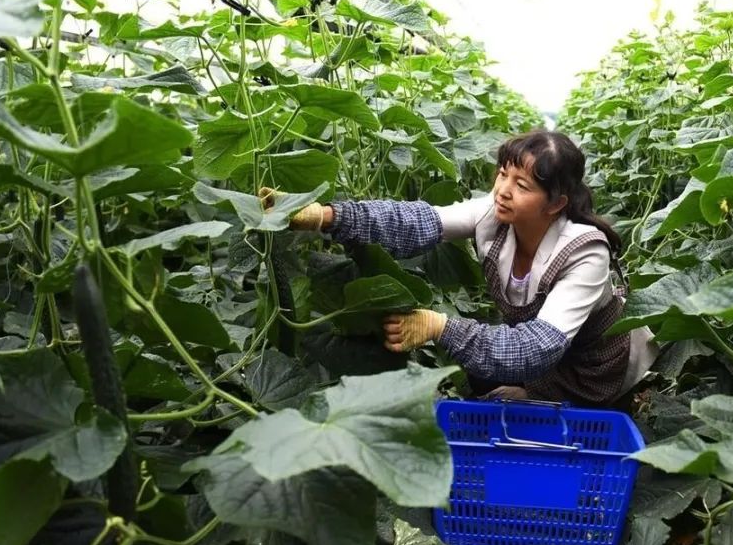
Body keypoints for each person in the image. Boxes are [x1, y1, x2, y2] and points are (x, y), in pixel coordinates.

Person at [260, 130, 658, 410]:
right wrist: (327, 216)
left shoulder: (584, 253)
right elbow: (414, 222)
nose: (503, 189)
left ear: (555, 204)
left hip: (591, 372)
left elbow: (534, 350)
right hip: (542, 361)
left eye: (522, 185)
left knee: (520, 410)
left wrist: (440, 327)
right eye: (503, 173)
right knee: (485, 383)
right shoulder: (494, 214)